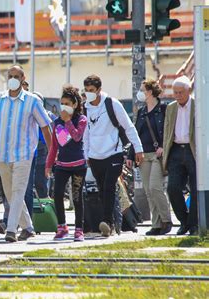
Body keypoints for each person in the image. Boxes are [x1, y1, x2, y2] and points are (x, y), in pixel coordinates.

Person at [0, 65, 52, 243]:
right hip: (2, 153)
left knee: (18, 191)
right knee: (10, 193)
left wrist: (51, 153)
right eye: (10, 75)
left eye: (16, 76)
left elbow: (45, 127)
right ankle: (28, 227)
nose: (12, 79)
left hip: (24, 154)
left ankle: (11, 230)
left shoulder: (32, 101)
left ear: (22, 78)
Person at [83, 74, 143, 237]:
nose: (89, 93)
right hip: (95, 156)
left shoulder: (112, 104)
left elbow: (129, 126)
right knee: (102, 190)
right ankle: (111, 225)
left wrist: (138, 149)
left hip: (114, 153)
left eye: (92, 90)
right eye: (86, 90)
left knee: (109, 187)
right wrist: (86, 154)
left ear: (99, 90)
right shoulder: (85, 108)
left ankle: (107, 221)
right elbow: (86, 133)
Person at [128, 79, 172, 236]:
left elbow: (169, 130)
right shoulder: (141, 112)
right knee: (148, 190)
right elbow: (135, 134)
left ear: (151, 92)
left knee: (155, 187)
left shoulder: (164, 109)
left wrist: (163, 146)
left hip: (157, 156)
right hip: (143, 155)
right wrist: (131, 155)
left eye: (143, 90)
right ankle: (156, 224)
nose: (140, 93)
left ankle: (166, 220)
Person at [45, 85, 87, 241]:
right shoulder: (57, 122)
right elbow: (55, 145)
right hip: (62, 165)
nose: (64, 106)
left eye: (67, 103)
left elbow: (76, 137)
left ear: (75, 104)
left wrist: (68, 121)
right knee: (57, 195)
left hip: (78, 165)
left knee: (77, 197)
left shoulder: (81, 119)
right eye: (62, 103)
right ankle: (62, 227)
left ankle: (79, 229)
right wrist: (48, 165)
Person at [163, 75, 197, 236]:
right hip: (176, 150)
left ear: (188, 90)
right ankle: (184, 221)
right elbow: (168, 132)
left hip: (193, 150)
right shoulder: (171, 108)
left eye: (180, 92)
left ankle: (194, 224)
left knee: (197, 189)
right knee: (173, 188)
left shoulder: (198, 104)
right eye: (175, 92)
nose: (177, 96)